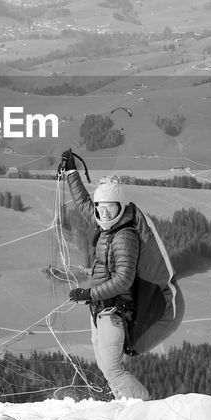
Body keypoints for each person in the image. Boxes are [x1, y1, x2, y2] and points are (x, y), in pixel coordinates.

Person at [57, 149, 151, 400]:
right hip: (100, 308)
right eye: (102, 209)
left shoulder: (124, 236)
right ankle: (126, 404)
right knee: (105, 366)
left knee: (112, 369)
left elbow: (124, 280)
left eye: (110, 209)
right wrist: (71, 171)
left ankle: (146, 407)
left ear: (121, 208)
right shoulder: (106, 225)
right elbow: (85, 204)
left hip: (115, 311)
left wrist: (89, 293)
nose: (105, 214)